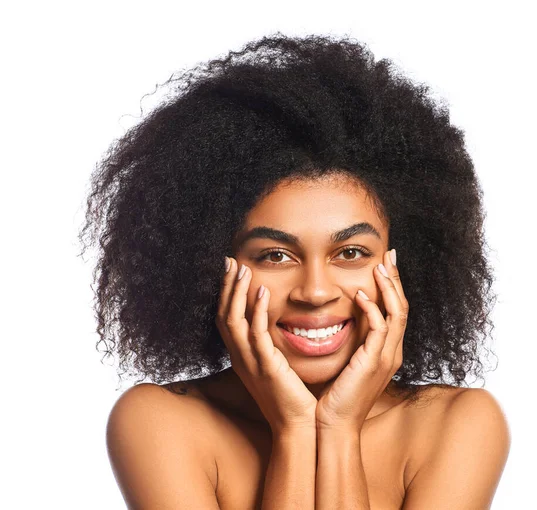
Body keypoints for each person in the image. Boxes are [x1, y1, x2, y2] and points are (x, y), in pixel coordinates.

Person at [78, 32, 510, 509]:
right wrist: (296, 430)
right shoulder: (159, 421)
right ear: (211, 266)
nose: (315, 291)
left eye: (350, 253)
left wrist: (339, 429)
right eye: (274, 255)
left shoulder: (459, 423)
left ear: (402, 263)